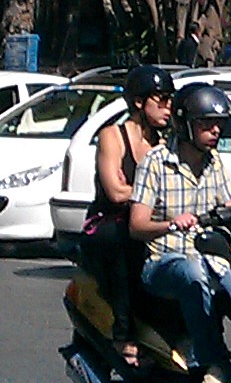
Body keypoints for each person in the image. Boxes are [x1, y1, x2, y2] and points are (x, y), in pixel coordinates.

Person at [131, 82, 231, 383]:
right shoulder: (156, 164)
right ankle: (210, 364)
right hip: (163, 262)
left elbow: (230, 208)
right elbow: (137, 226)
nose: (216, 131)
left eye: (219, 125)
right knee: (194, 272)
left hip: (211, 257)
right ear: (185, 125)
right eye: (207, 124)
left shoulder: (215, 163)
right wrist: (171, 224)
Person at [87, 64, 175, 367]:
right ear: (139, 102)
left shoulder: (163, 145)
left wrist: (138, 192)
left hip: (140, 219)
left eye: (170, 100)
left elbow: (169, 193)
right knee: (126, 243)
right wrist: (149, 193)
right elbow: (114, 192)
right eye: (161, 100)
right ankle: (123, 334)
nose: (168, 108)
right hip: (106, 222)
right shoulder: (112, 136)